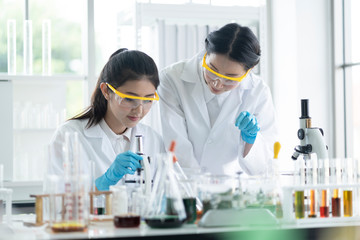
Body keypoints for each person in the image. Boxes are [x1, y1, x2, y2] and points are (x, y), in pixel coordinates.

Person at [158, 23, 278, 176]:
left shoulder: (258, 92)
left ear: (249, 70)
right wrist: (197, 192)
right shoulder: (172, 79)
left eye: (230, 79)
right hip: (186, 187)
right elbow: (177, 146)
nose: (217, 83)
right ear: (206, 54)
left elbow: (264, 167)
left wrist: (251, 141)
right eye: (212, 70)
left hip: (232, 191)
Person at [49, 48, 165, 191]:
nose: (139, 110)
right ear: (106, 91)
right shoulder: (69, 136)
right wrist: (104, 181)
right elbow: (57, 200)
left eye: (148, 100)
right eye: (129, 98)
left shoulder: (153, 140)